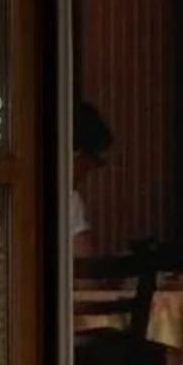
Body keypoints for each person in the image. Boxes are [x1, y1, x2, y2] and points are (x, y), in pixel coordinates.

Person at [70, 101, 112, 261]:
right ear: (77, 154)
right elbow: (85, 271)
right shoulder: (68, 200)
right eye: (91, 162)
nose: (88, 172)